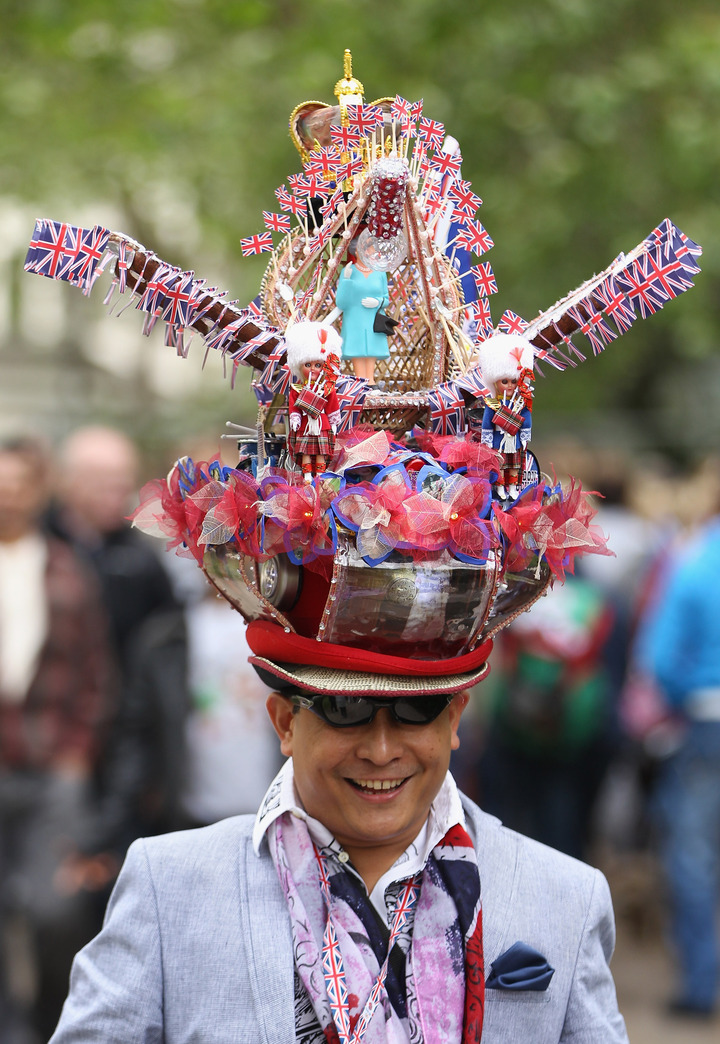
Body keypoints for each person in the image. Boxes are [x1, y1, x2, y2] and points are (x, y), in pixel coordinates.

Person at [50, 617, 628, 1043]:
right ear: (284, 722)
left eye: (415, 710)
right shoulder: (167, 884)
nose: (381, 750)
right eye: (345, 709)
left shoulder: (567, 898)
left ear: (455, 719)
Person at [0, 437, 114, 1042]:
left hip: (51, 769)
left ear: (37, 490)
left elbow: (97, 672)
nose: (9, 494)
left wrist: (77, 754)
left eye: (19, 482)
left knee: (54, 912)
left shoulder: (66, 569)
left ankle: (49, 1025)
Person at [639, 513, 720, 1018]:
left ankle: (699, 984)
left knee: (692, 856)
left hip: (705, 722)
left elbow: (659, 659)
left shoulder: (696, 565)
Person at [336, 257, 390, 384]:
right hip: (355, 317)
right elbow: (341, 302)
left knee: (372, 347)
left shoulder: (380, 273)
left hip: (373, 318)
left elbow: (386, 299)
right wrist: (346, 279)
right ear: (356, 251)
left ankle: (370, 380)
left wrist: (377, 302)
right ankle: (360, 380)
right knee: (357, 347)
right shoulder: (348, 271)